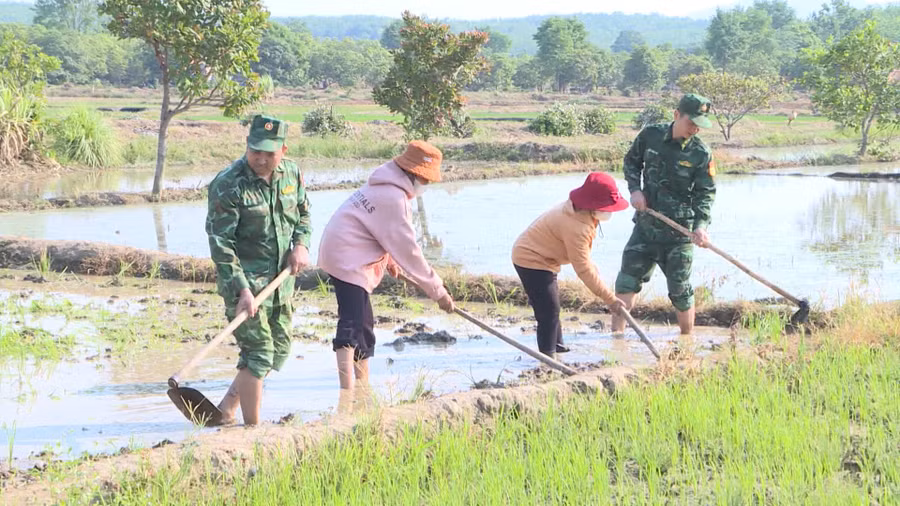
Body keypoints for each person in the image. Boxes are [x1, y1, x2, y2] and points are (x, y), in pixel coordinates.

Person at [318, 140, 456, 391]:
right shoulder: (393, 197)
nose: (426, 185)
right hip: (348, 257)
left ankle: (362, 385)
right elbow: (409, 250)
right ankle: (346, 392)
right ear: (414, 174)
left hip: (344, 249)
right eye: (426, 180)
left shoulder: (386, 184)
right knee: (351, 323)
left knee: (364, 326)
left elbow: (378, 227)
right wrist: (438, 290)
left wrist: (389, 259)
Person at [205, 114, 312, 426]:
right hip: (245, 286)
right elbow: (221, 244)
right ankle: (252, 429)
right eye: (255, 151)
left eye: (269, 153)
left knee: (278, 350)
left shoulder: (291, 173)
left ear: (283, 150)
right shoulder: (229, 184)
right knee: (259, 352)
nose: (261, 159)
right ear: (247, 145)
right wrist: (242, 290)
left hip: (280, 283)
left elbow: (304, 214)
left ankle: (225, 409)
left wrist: (301, 245)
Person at [611, 93, 717, 337]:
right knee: (626, 282)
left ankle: (687, 341)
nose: (695, 129)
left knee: (681, 291)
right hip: (645, 228)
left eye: (699, 125)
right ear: (677, 115)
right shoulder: (651, 136)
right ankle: (616, 339)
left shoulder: (701, 153)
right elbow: (631, 162)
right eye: (691, 122)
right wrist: (635, 190)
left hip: (680, 234)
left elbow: (705, 193)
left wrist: (701, 226)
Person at [512, 172, 629, 358]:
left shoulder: (581, 212)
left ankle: (557, 346)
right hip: (531, 259)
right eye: (607, 207)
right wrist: (610, 299)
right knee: (548, 309)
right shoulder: (576, 226)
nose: (609, 212)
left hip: (546, 259)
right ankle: (548, 356)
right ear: (593, 205)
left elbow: (584, 258)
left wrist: (593, 268)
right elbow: (582, 269)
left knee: (551, 305)